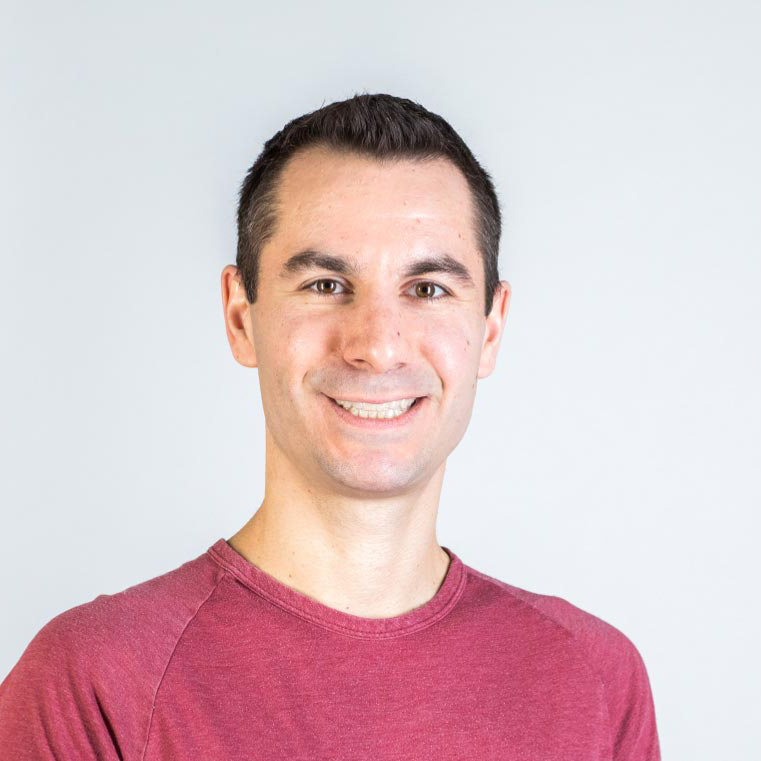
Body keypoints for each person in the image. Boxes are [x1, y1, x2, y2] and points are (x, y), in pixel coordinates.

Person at [0, 93, 661, 760]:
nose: (376, 345)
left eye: (427, 289)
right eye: (324, 284)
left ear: (489, 330)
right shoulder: (92, 686)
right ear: (240, 316)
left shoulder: (595, 679)